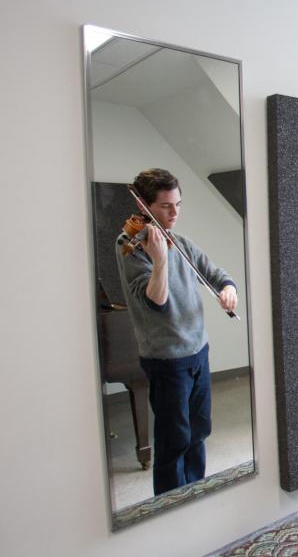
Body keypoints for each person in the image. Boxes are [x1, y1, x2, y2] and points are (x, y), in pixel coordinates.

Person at [115, 168, 238, 495]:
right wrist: (159, 261)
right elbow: (156, 301)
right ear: (144, 206)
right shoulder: (130, 245)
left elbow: (215, 273)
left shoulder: (180, 242)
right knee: (174, 439)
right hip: (166, 360)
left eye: (178, 205)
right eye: (166, 207)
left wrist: (227, 290)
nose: (174, 214)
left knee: (199, 432)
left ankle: (194, 493)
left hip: (198, 351)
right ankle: (170, 503)